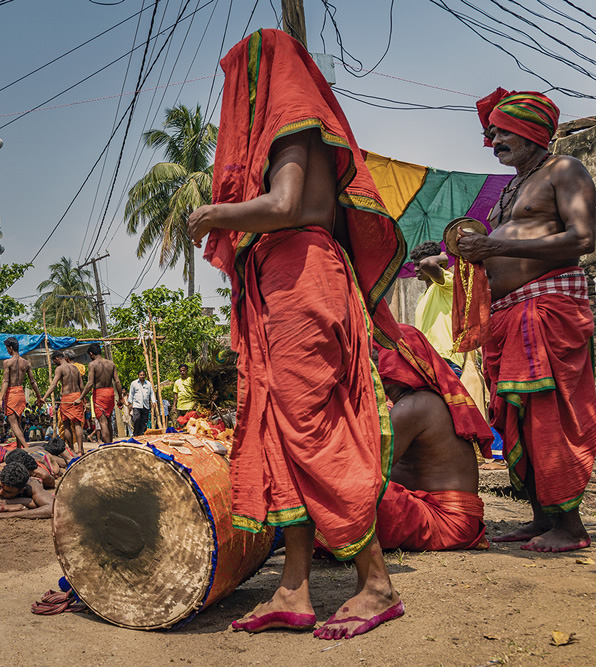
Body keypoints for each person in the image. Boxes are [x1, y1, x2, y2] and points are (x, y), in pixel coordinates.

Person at [186, 30, 406, 639]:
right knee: (283, 433)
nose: (235, 99)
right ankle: (294, 588)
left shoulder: (291, 120)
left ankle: (377, 583)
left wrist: (216, 216)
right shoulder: (289, 126)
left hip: (301, 274)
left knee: (311, 430)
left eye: (239, 83)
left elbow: (284, 205)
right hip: (283, 279)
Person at [456, 88, 596, 553]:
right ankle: (541, 518)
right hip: (508, 316)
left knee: (547, 415)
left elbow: (582, 239)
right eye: (492, 130)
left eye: (501, 130)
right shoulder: (508, 191)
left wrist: (495, 248)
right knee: (516, 416)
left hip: (547, 310)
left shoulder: (564, 169)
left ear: (531, 131)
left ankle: (571, 527)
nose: (492, 137)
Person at [373, 325, 494, 551]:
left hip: (447, 521)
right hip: (453, 518)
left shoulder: (414, 407)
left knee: (349, 489)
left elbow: (371, 469)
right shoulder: (420, 402)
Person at [409, 241, 464, 374]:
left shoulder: (448, 284)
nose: (417, 269)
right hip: (426, 361)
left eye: (419, 264)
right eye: (415, 265)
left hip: (446, 359)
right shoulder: (422, 296)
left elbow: (427, 264)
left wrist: (445, 256)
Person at [77, 343, 125, 444]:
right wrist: (121, 397)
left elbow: (89, 384)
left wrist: (80, 398)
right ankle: (111, 444)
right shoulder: (111, 364)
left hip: (99, 394)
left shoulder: (92, 364)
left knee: (103, 422)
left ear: (91, 354)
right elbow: (117, 381)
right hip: (110, 393)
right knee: (108, 422)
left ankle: (108, 446)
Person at [40, 350, 84, 456]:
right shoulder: (75, 368)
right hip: (77, 396)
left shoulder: (59, 369)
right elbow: (81, 386)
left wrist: (44, 397)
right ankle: (80, 450)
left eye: (54, 361)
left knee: (67, 425)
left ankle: (72, 450)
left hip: (67, 398)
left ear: (57, 359)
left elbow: (54, 384)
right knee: (77, 424)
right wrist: (82, 398)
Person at [0, 336, 40, 448]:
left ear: (11, 348)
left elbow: (5, 381)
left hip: (12, 393)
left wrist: (0, 399)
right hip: (20, 393)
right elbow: (33, 382)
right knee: (18, 423)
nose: (7, 350)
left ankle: (26, 448)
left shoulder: (7, 362)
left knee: (14, 424)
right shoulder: (26, 363)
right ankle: (19, 448)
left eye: (7, 348)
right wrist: (39, 396)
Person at [126, 370, 156, 436]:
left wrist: (153, 401)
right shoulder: (134, 383)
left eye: (143, 375)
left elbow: (152, 393)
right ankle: (136, 433)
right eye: (141, 375)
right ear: (138, 376)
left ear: (145, 375)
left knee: (144, 421)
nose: (142, 376)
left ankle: (142, 434)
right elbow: (131, 393)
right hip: (137, 405)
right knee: (136, 419)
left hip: (145, 405)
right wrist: (130, 403)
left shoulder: (148, 384)